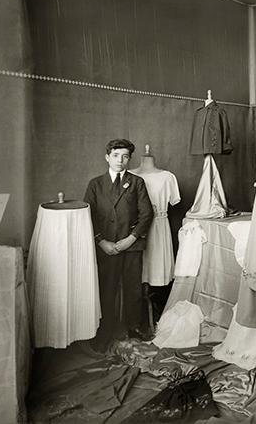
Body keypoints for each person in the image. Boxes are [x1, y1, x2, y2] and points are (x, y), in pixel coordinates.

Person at [83, 138, 154, 354]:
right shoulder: (96, 184)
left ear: (129, 159)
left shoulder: (136, 182)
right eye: (116, 156)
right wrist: (101, 241)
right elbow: (89, 215)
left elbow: (146, 214)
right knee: (107, 290)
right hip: (106, 247)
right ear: (107, 157)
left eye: (125, 157)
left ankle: (134, 328)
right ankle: (104, 332)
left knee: (133, 289)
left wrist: (130, 239)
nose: (120, 161)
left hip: (130, 245)